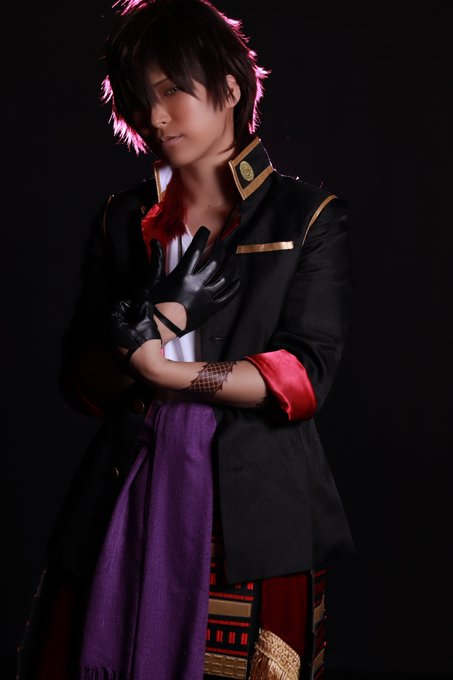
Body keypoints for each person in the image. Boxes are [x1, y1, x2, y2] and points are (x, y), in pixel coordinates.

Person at [18, 0, 354, 678]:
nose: (155, 115)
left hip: (253, 503)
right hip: (125, 486)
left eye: (173, 89)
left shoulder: (305, 216)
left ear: (229, 89)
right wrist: (161, 318)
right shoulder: (121, 218)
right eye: (139, 98)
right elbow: (81, 381)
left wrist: (163, 370)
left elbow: (301, 376)